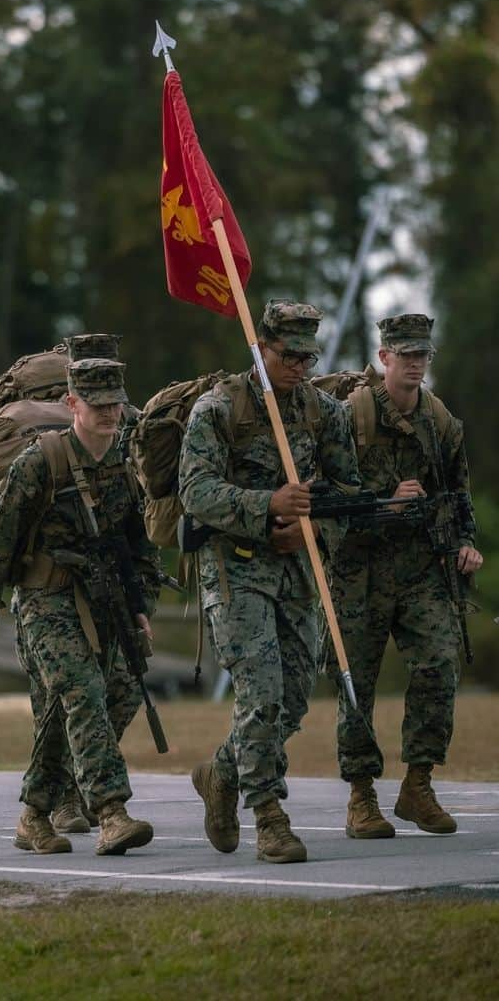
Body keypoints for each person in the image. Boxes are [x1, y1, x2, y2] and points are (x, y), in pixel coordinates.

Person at [178, 300, 360, 864]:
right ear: (261, 348)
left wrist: (310, 533)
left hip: (295, 571)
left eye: (310, 357)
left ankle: (222, 774)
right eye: (290, 355)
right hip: (234, 569)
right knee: (261, 694)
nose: (301, 366)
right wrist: (266, 508)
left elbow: (345, 494)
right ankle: (270, 816)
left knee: (294, 700)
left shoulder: (323, 413)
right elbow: (195, 490)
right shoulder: (217, 409)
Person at [0, 358, 157, 857]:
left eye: (115, 404)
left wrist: (139, 606)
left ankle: (33, 816)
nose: (110, 413)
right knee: (82, 691)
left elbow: (135, 545)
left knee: (101, 697)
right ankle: (111, 812)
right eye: (98, 405)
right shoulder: (39, 462)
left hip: (103, 594)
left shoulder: (123, 464)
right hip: (44, 599)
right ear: (72, 405)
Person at [332, 314, 482, 838]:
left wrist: (466, 543)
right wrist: (383, 505)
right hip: (359, 571)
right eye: (406, 355)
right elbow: (327, 500)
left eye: (423, 355)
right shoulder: (351, 417)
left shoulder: (438, 421)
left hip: (422, 567)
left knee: (440, 662)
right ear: (384, 358)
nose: (416, 364)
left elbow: (458, 493)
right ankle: (360, 795)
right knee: (359, 686)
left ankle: (418, 784)